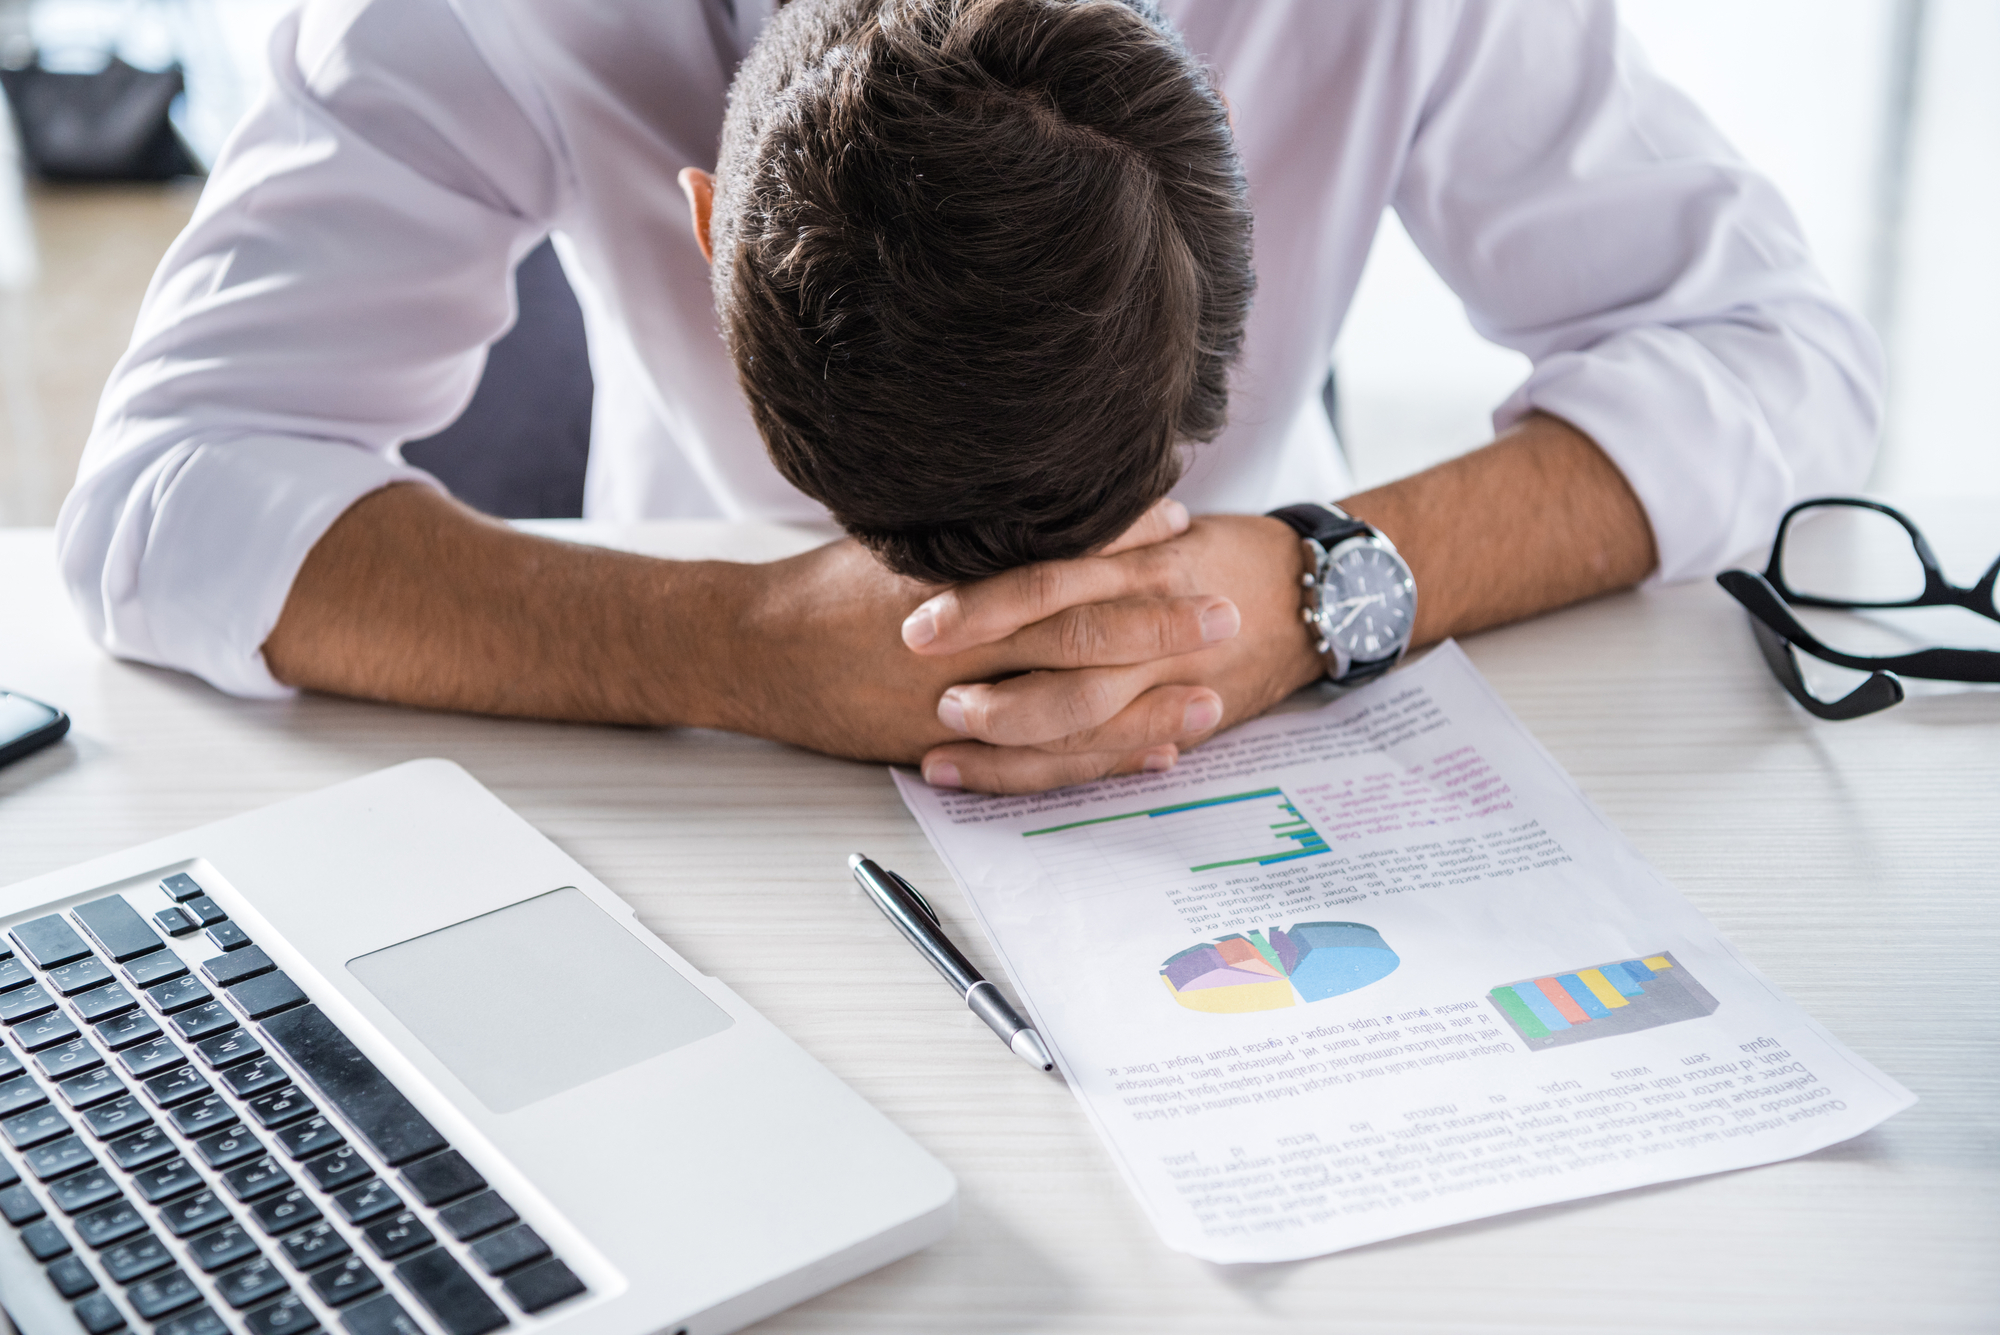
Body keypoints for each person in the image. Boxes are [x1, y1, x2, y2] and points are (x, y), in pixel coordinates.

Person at [57, 0, 1880, 794]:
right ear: (711, 236)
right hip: (706, 783)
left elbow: (1777, 355)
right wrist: (734, 645)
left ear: (1216, 186)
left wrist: (1320, 586)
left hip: (1260, 739)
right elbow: (158, 493)